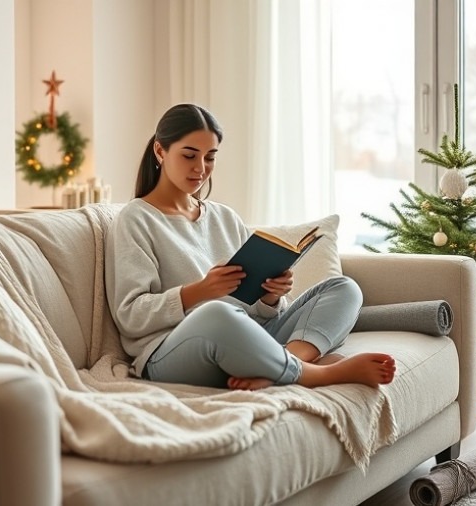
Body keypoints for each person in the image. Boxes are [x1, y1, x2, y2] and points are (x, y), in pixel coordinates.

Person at [106, 103, 396, 390]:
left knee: (344, 288)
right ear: (160, 151)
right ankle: (313, 374)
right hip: (173, 352)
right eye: (189, 155)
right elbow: (130, 315)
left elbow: (255, 310)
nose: (201, 168)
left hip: (249, 336)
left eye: (210, 157)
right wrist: (200, 291)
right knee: (216, 313)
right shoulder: (136, 219)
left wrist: (270, 297)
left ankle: (284, 364)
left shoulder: (224, 217)